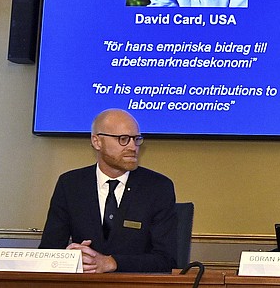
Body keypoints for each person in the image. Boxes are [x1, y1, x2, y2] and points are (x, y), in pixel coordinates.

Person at [39, 109, 177, 273]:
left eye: (137, 139)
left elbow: (166, 259)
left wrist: (112, 262)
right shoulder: (70, 185)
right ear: (97, 141)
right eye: (123, 139)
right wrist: (70, 258)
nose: (133, 147)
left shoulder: (158, 187)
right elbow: (48, 251)